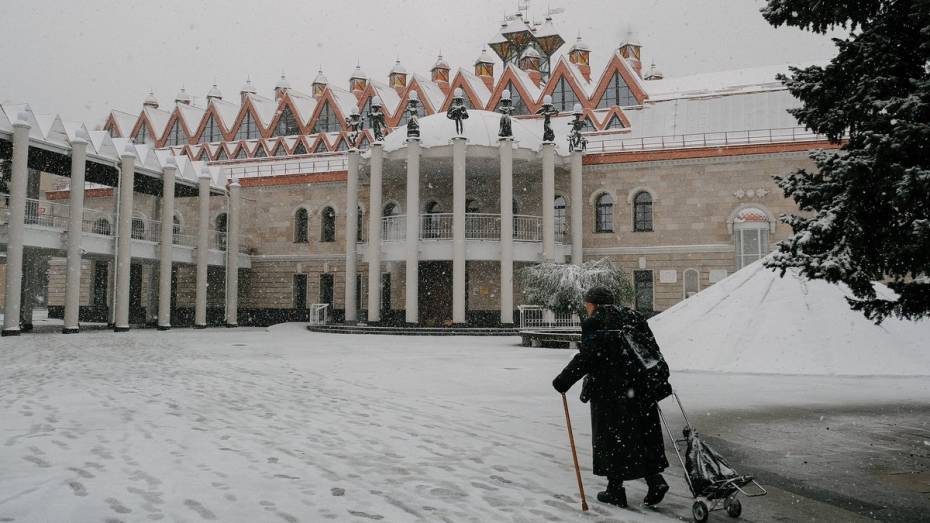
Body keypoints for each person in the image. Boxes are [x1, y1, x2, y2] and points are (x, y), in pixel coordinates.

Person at [552, 286, 670, 508]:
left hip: (611, 393)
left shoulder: (596, 321)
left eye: (587, 304)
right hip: (641, 389)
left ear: (594, 304)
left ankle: (615, 490)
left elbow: (588, 356)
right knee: (642, 434)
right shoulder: (634, 316)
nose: (586, 309)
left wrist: (563, 380)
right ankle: (655, 481)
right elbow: (652, 349)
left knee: (613, 439)